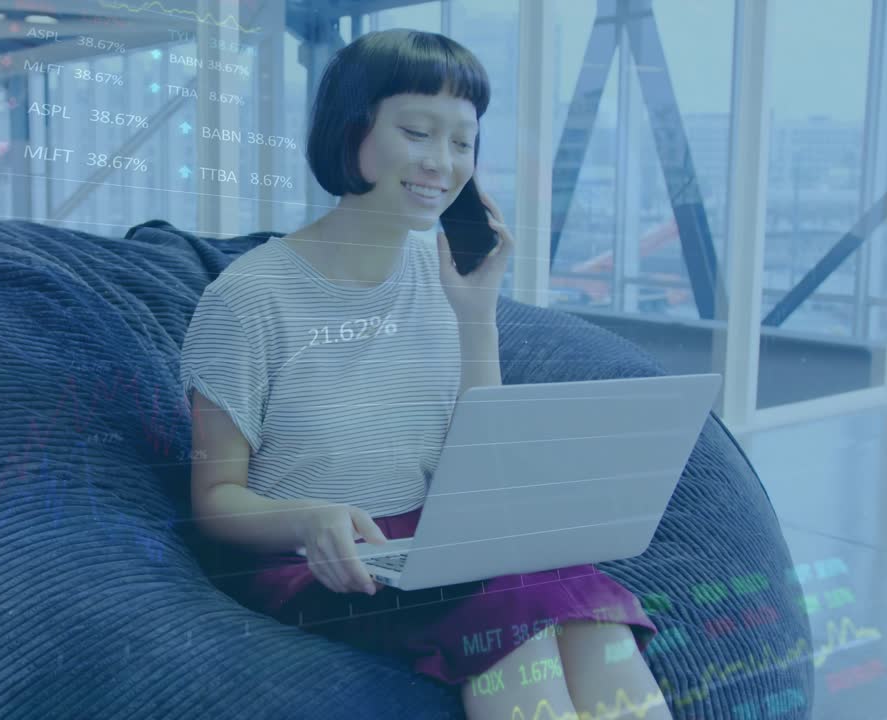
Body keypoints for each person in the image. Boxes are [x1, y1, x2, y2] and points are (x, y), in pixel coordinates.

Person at [180, 29, 669, 720]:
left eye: (463, 141)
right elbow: (214, 500)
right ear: (351, 133)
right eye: (417, 132)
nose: (443, 163)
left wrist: (476, 313)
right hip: (312, 562)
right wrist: (309, 519)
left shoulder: (441, 277)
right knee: (517, 617)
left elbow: (482, 463)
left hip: (429, 546)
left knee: (591, 609)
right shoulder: (248, 298)